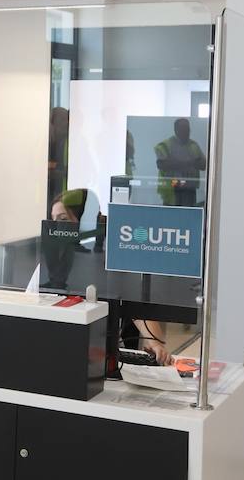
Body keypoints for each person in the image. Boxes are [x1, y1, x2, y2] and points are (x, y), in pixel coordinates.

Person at [29, 190, 173, 364]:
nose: (58, 227)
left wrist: (156, 345)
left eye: (63, 219)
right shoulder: (48, 266)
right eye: (54, 220)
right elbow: (29, 306)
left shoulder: (110, 261)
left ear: (85, 221)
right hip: (55, 350)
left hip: (97, 356)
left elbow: (136, 309)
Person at [154, 118, 207, 206]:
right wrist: (190, 162)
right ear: (176, 130)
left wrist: (178, 162)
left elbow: (204, 165)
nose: (186, 131)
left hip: (189, 188)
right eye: (183, 129)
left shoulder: (194, 145)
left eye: (188, 129)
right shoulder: (166, 144)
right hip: (172, 187)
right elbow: (162, 165)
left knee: (188, 216)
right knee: (171, 216)